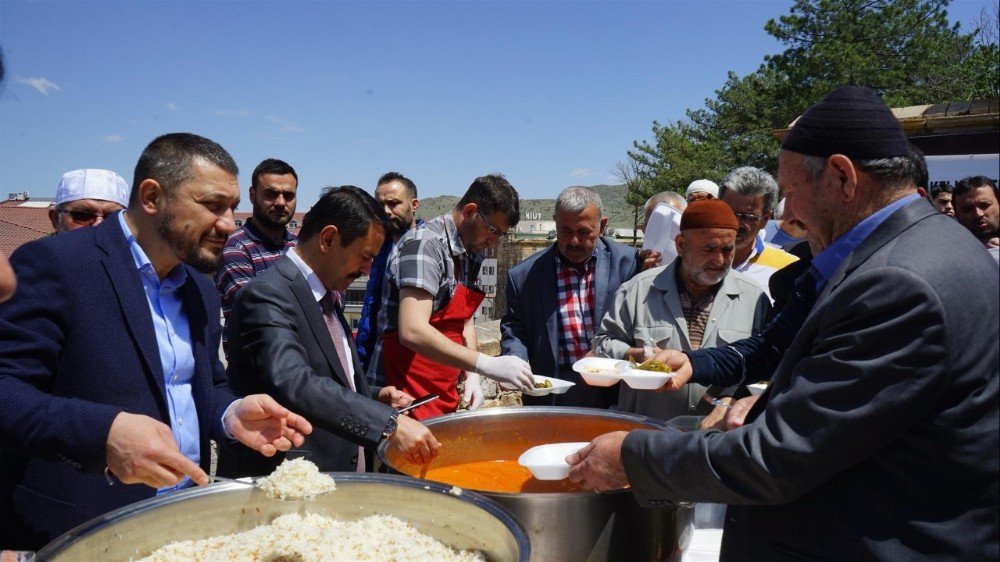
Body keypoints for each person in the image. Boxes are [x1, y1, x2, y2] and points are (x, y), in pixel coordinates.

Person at [567, 86, 999, 561]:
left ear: (842, 176)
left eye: (791, 193)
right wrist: (691, 363)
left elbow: (777, 456)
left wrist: (632, 457)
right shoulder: (918, 248)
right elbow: (772, 348)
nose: (787, 217)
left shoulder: (899, 282)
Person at [0, 133, 313, 549]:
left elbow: (203, 384)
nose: (227, 223)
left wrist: (231, 413)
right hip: (84, 532)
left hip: (184, 526)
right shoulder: (58, 265)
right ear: (151, 197)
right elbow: (7, 390)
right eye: (213, 206)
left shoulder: (199, 288)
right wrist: (104, 433)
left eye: (231, 208)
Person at [225, 186, 440, 476]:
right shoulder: (267, 295)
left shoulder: (325, 291)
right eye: (364, 256)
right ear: (328, 238)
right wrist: (388, 423)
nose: (367, 270)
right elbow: (294, 381)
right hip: (294, 484)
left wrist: (372, 396)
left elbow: (327, 372)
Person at [367, 174, 535, 420]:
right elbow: (413, 331)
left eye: (500, 235)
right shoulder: (424, 246)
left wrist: (472, 376)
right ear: (470, 211)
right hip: (401, 393)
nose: (494, 244)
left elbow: (464, 321)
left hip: (440, 392)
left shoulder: (471, 253)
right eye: (492, 231)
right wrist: (485, 364)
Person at [592, 199, 770, 422]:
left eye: (727, 249)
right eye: (709, 249)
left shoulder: (754, 299)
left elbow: (766, 366)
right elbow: (602, 342)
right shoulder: (638, 290)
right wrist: (633, 354)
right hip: (647, 437)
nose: (720, 259)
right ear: (680, 245)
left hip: (718, 443)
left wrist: (730, 399)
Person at [501, 187, 639, 408]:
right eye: (565, 231)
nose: (574, 241)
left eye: (584, 232)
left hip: (615, 391)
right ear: (555, 223)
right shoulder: (524, 276)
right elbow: (515, 329)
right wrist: (513, 359)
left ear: (602, 226)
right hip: (554, 394)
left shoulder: (628, 263)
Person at [215, 158, 298, 345]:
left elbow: (332, 297)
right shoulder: (234, 248)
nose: (280, 202)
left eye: (288, 195)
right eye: (271, 194)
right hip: (254, 367)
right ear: (252, 195)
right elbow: (256, 310)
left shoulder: (299, 246)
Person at [356, 172, 422, 371]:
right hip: (371, 358)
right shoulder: (380, 245)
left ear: (414, 204)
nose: (385, 211)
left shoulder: (425, 248)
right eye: (380, 205)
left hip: (405, 366)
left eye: (393, 203)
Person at [719, 167, 798, 302]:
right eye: (728, 212)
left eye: (747, 217)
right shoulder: (691, 258)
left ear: (765, 219)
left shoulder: (789, 269)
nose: (735, 223)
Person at [48, 168, 129, 233]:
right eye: (84, 215)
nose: (99, 224)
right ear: (56, 219)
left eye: (112, 218)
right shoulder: (38, 253)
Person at [953, 175, 999, 261]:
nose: (978, 214)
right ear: (957, 215)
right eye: (968, 209)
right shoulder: (948, 253)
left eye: (985, 205)